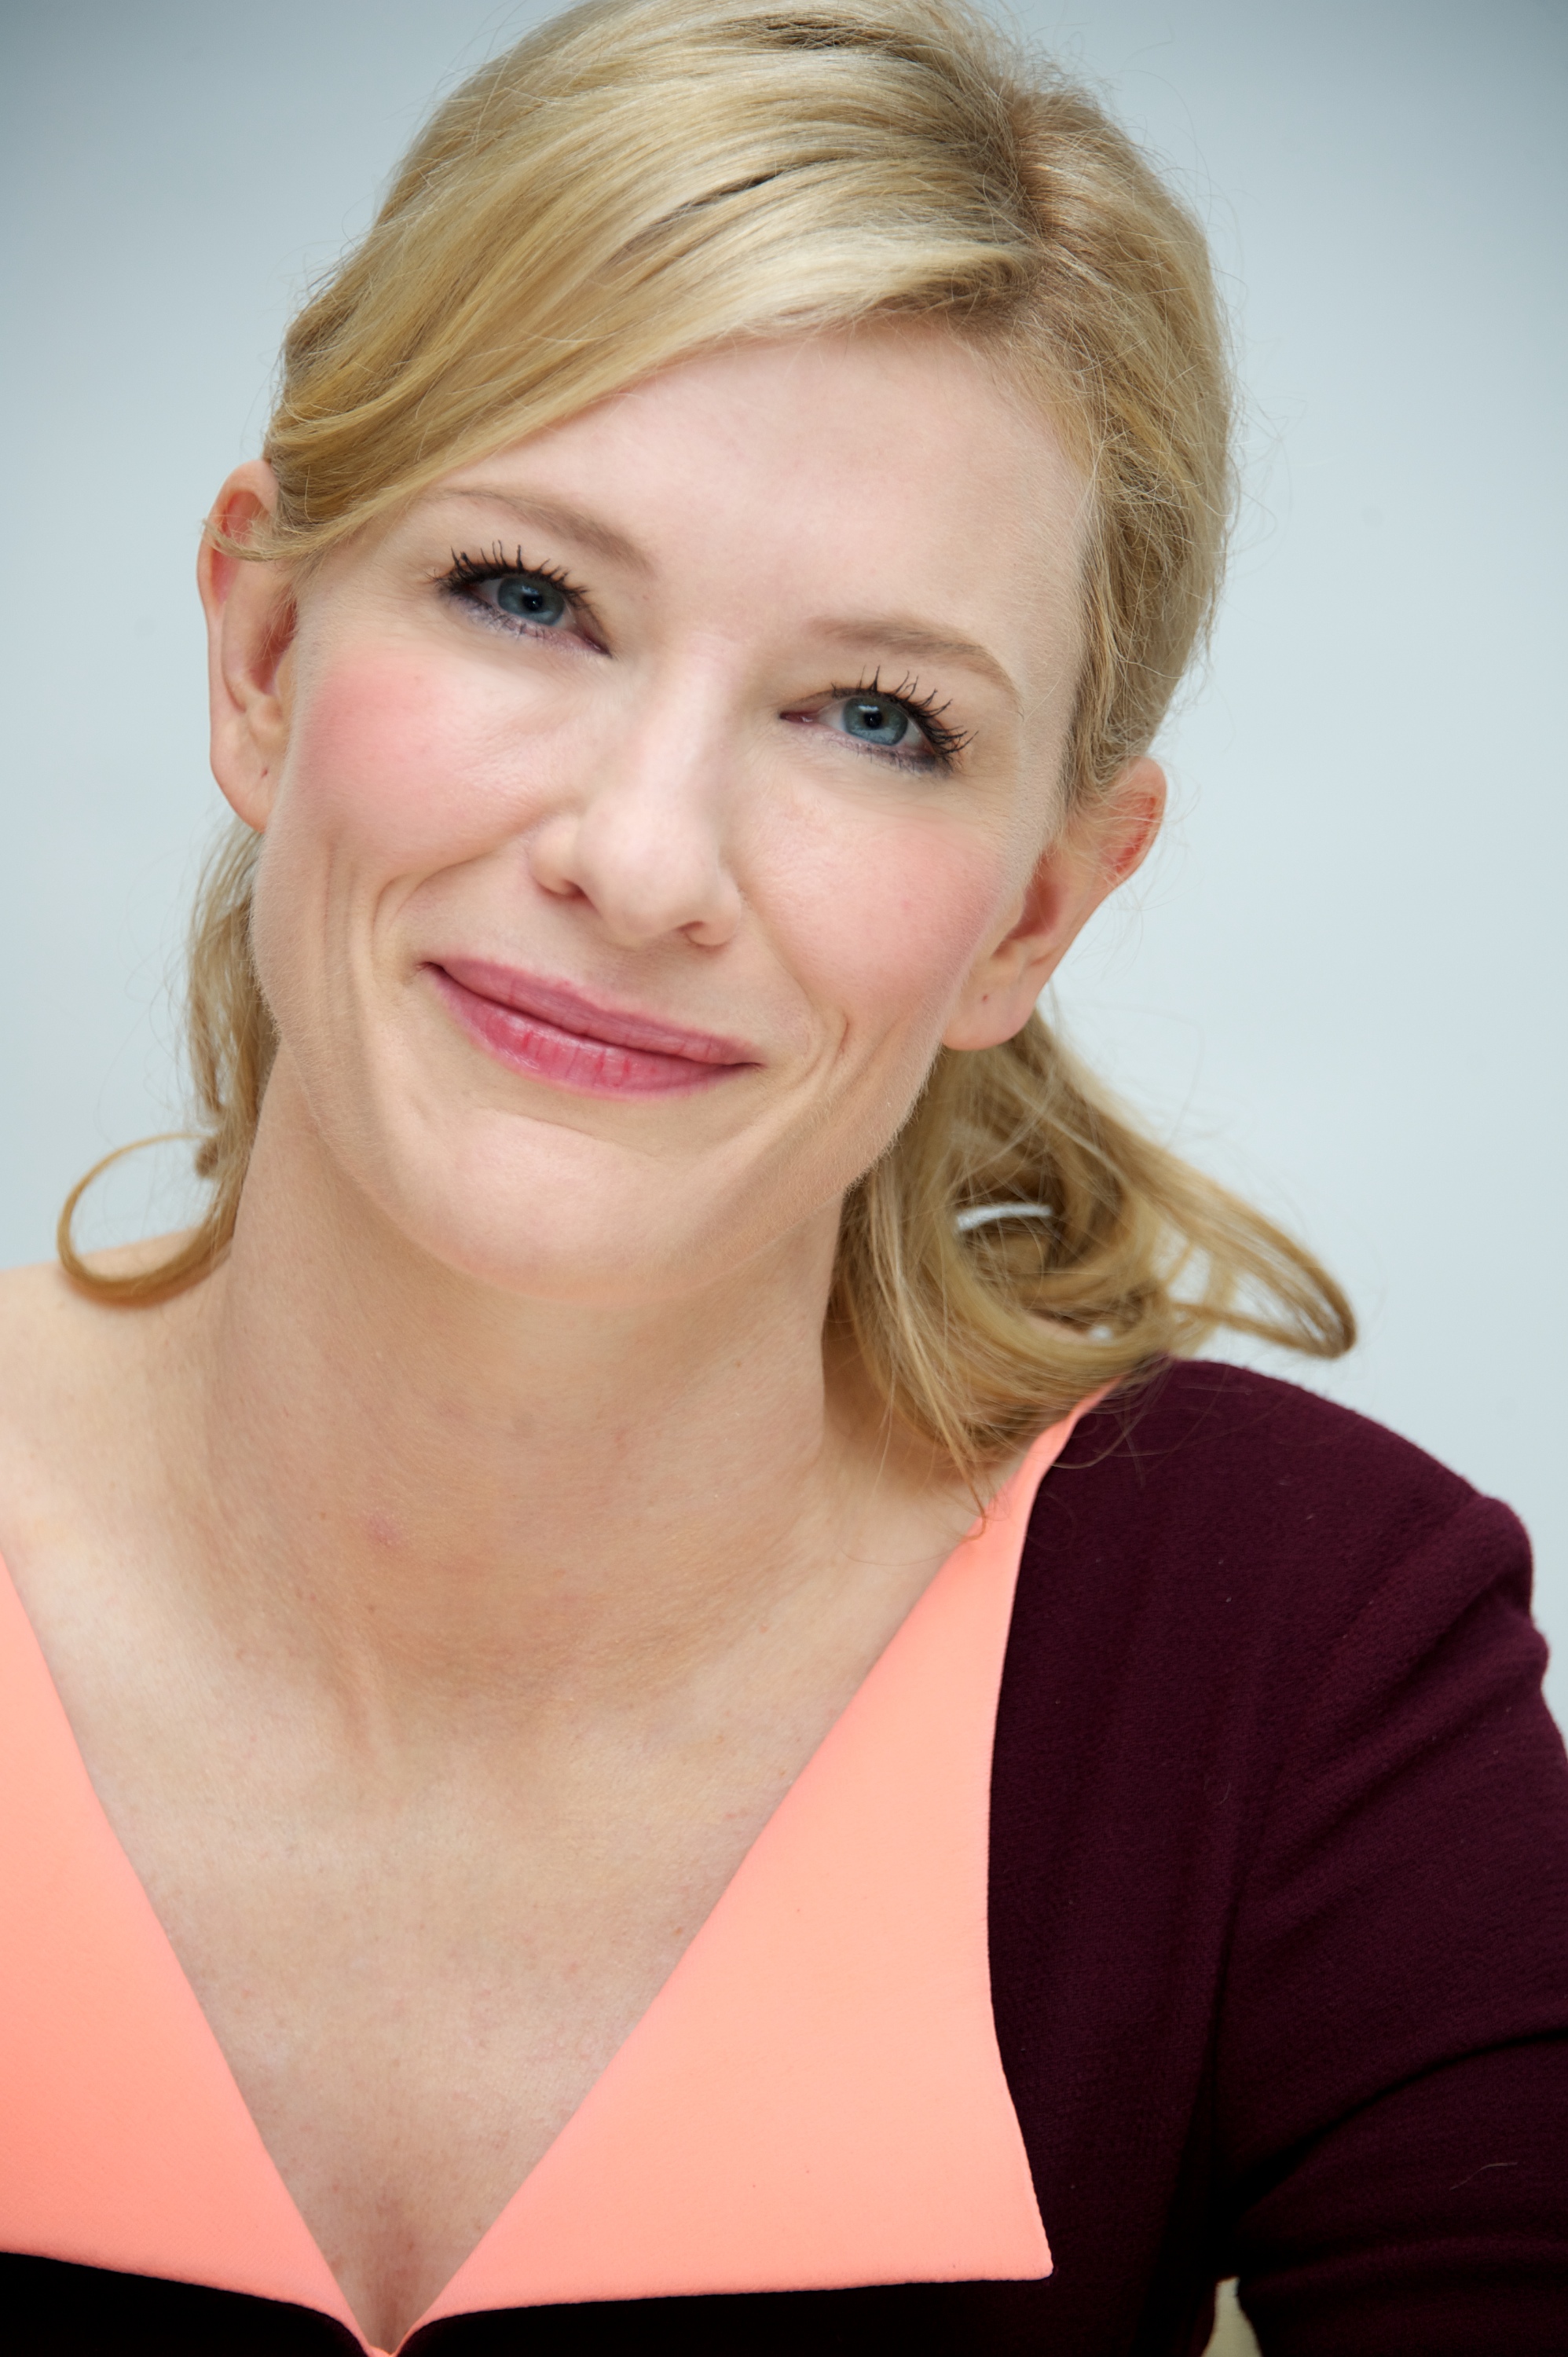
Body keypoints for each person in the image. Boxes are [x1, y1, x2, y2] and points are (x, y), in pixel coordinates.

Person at [1, 0, 1564, 2349]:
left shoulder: (1297, 1647)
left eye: (876, 719)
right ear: (260, 649)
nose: (643, 863)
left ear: (1037, 910)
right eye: (528, 595)